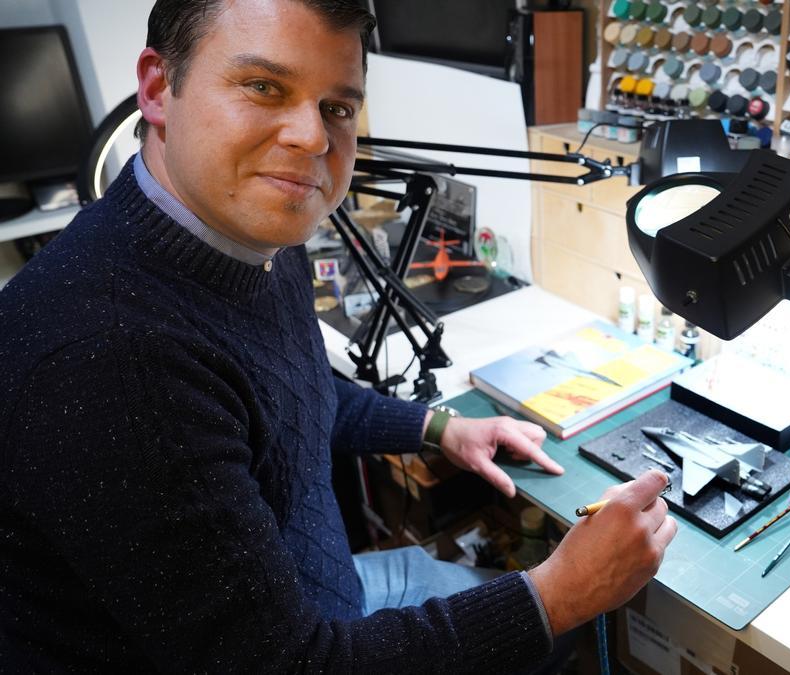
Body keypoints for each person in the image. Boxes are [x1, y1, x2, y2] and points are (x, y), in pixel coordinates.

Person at [0, 0, 677, 670]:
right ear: (157, 88)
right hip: (303, 647)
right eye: (264, 87)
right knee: (552, 631)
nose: (312, 139)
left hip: (322, 596)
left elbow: (292, 386)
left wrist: (439, 428)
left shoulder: (255, 225)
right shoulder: (112, 358)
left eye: (337, 108)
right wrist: (560, 593)